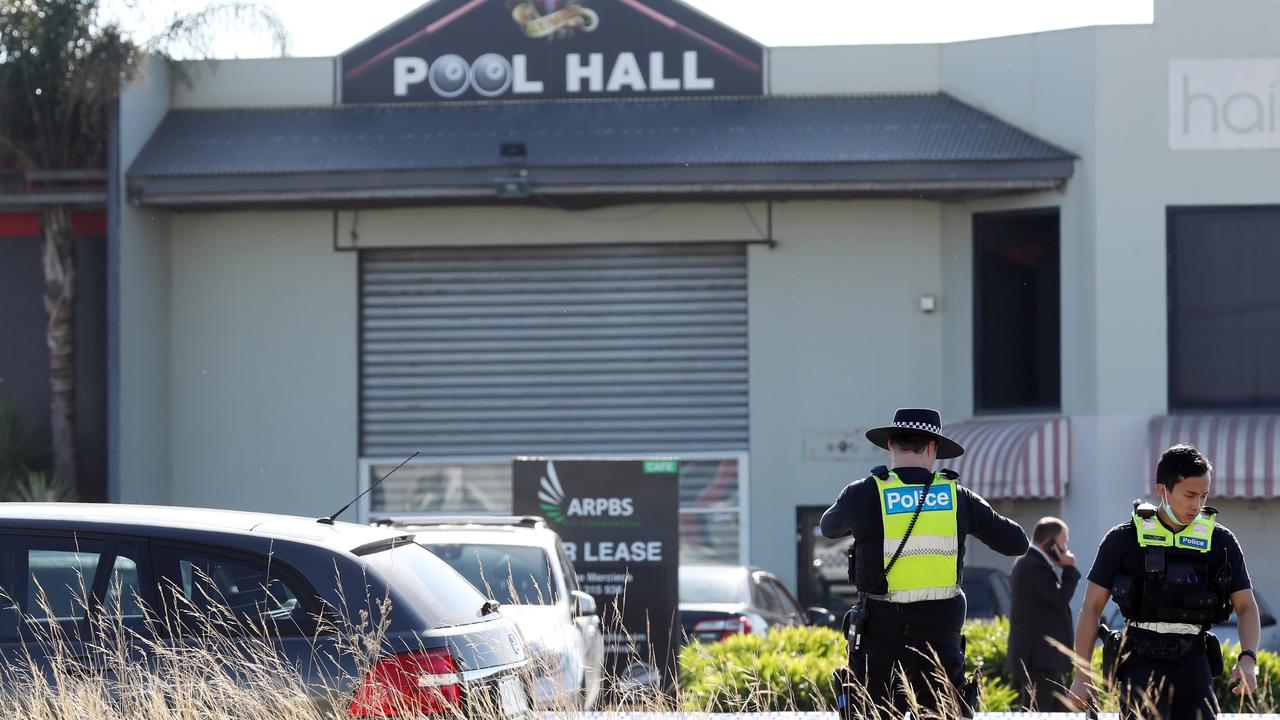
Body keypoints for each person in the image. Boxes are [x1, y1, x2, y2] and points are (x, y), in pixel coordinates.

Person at [822, 408, 1029, 718]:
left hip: (879, 643)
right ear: (933, 447)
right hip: (939, 646)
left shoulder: (863, 493)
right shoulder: (958, 497)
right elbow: (1017, 542)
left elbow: (828, 528)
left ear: (891, 444)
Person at [1068, 444, 1259, 720]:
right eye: (1190, 495)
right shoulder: (1122, 540)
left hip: (1195, 663)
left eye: (1204, 495)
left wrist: (1248, 659)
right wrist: (1082, 674)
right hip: (1140, 663)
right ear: (1162, 490)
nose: (1197, 505)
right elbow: (1090, 608)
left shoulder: (1221, 541)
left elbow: (1246, 606)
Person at [1007, 516, 1080, 711]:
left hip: (1043, 658)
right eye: (1063, 543)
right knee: (1036, 711)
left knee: (1060, 712)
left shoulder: (1031, 563)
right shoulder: (1033, 564)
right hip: (1040, 658)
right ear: (1050, 544)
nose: (1065, 549)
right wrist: (1069, 569)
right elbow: (1060, 598)